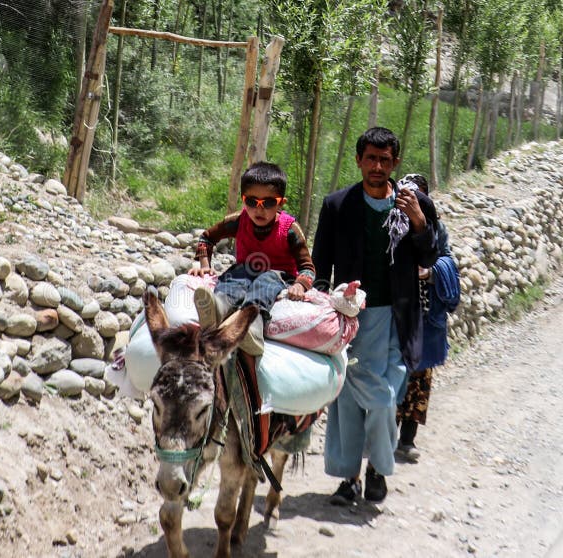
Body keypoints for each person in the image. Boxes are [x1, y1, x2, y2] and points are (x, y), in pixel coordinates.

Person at [311, 127, 439, 505]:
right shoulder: (338, 205)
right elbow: (321, 267)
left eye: (385, 160)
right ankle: (350, 478)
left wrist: (418, 221)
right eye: (371, 159)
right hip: (352, 319)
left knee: (386, 399)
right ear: (358, 161)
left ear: (395, 163)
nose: (377, 167)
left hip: (399, 319)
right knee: (347, 401)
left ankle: (377, 469)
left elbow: (430, 257)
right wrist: (322, 305)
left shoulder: (415, 205)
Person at [189, 161, 315, 355]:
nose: (259, 209)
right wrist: (205, 265)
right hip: (246, 271)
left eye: (268, 203)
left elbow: (307, 267)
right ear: (243, 199)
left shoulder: (290, 229)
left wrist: (300, 284)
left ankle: (252, 325)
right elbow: (206, 238)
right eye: (251, 201)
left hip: (278, 276)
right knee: (237, 275)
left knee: (266, 280)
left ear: (281, 203)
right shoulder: (238, 221)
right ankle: (218, 307)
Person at [395, 174, 460, 463]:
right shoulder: (393, 226)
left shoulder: (436, 229)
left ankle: (407, 440)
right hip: (396, 315)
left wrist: (432, 272)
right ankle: (385, 436)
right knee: (394, 375)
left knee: (420, 381)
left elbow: (448, 260)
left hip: (426, 317)